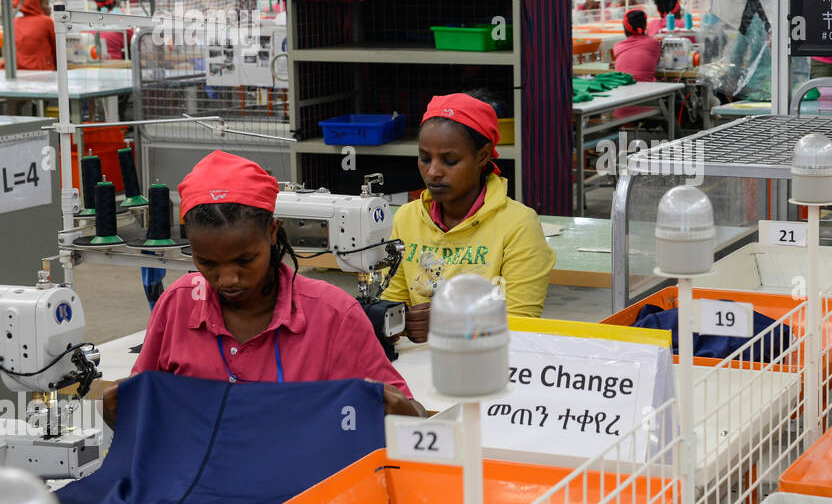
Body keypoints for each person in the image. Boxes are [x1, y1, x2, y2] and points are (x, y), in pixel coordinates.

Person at [101, 151, 424, 425]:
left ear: (272, 231)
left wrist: (400, 412)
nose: (227, 279)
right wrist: (118, 411)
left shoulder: (334, 315)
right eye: (207, 263)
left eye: (245, 260)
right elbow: (146, 406)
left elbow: (414, 421)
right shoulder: (178, 303)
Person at [383, 93, 555, 339]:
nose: (433, 172)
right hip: (419, 359)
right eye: (424, 158)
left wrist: (450, 322)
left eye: (450, 161)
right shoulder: (406, 218)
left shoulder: (518, 225)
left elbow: (521, 325)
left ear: (483, 156)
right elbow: (391, 302)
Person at [612, 9, 660, 83]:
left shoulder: (617, 46)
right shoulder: (653, 43)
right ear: (645, 26)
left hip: (621, 86)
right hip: (646, 88)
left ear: (625, 29)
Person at [13, 0, 56, 71]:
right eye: (47, 4)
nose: (50, 7)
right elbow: (56, 49)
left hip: (19, 68)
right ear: (36, 5)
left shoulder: (15, 21)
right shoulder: (46, 21)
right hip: (41, 69)